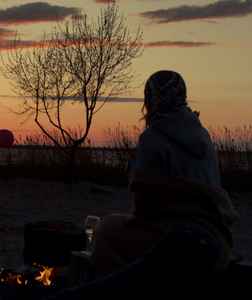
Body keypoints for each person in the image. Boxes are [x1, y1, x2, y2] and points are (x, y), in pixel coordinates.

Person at [90, 70, 238, 280]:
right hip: (218, 242)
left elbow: (145, 211)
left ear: (148, 100)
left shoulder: (151, 139)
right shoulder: (203, 135)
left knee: (107, 229)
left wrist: (135, 178)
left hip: (183, 245)